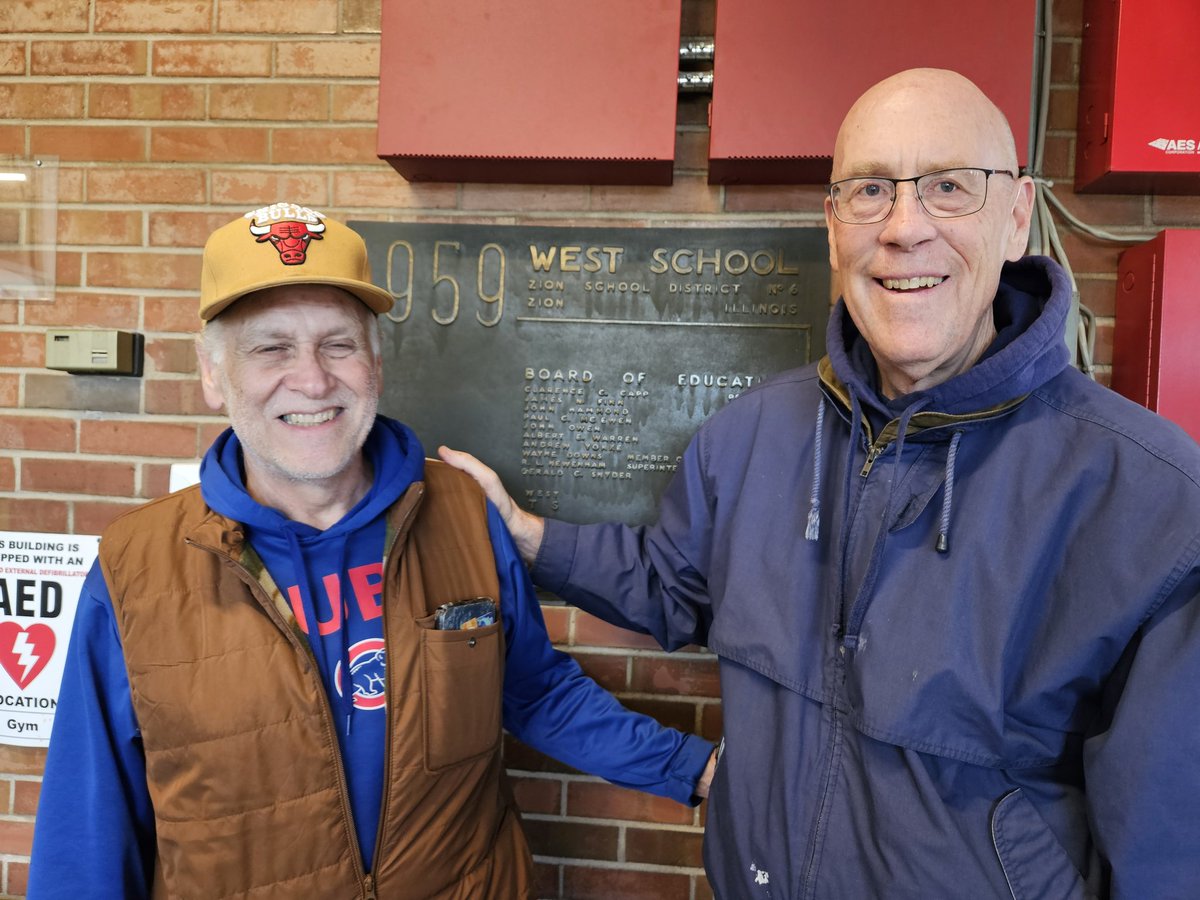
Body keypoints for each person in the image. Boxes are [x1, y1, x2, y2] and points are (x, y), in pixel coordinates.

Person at [441, 69, 1200, 898]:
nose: (905, 227)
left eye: (949, 187)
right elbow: (672, 586)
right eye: (870, 190)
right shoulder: (751, 434)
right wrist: (528, 536)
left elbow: (1167, 853)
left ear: (1017, 216)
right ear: (833, 228)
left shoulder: (1154, 505)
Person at [27, 202, 715, 899]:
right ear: (212, 374)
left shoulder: (462, 516)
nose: (314, 380)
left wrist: (696, 768)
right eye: (270, 348)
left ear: (376, 361)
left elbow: (535, 691)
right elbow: (87, 827)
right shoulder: (134, 569)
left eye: (338, 344)